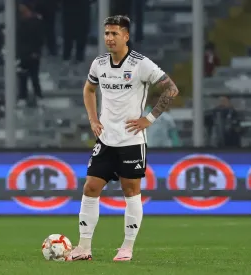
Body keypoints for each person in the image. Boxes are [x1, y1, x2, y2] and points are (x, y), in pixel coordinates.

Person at [67, 15, 179, 262]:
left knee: (131, 192)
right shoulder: (99, 63)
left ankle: (127, 247)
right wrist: (93, 119)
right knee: (91, 187)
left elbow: (171, 89)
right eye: (106, 33)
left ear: (126, 36)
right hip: (106, 139)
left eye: (114, 33)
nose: (109, 38)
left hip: (131, 142)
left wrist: (147, 120)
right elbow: (89, 89)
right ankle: (84, 247)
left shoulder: (141, 64)